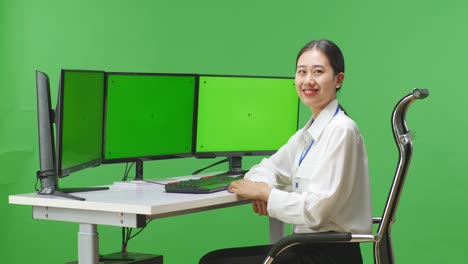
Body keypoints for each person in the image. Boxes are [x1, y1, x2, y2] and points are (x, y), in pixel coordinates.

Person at [199, 39, 372, 264]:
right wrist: (262, 186)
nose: (308, 80)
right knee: (213, 259)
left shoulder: (342, 130)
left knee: (213, 263)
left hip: (330, 254)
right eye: (302, 72)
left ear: (338, 80)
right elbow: (267, 166)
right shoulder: (307, 133)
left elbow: (317, 212)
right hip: (305, 246)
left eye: (318, 72)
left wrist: (265, 194)